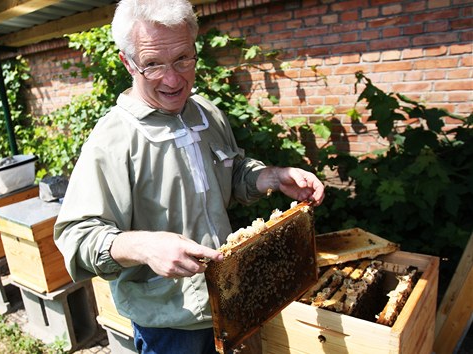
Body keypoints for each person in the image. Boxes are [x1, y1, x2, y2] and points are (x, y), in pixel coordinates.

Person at [53, 0, 325, 353]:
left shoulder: (207, 114)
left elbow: (233, 172)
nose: (172, 78)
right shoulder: (112, 139)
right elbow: (77, 237)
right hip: (171, 328)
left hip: (234, 299)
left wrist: (270, 177)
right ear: (127, 62)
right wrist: (145, 246)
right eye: (152, 64)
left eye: (183, 58)